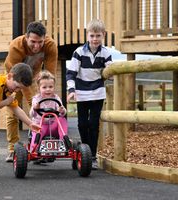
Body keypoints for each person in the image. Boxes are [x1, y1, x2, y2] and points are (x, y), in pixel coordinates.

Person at [4, 21, 58, 162]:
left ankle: (41, 145)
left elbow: (50, 74)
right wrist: (33, 101)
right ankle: (12, 149)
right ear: (26, 37)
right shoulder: (16, 46)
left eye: (40, 42)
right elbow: (20, 80)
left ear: (44, 38)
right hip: (14, 78)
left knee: (42, 110)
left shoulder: (50, 45)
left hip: (34, 76)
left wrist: (47, 95)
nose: (36, 46)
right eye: (33, 41)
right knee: (12, 112)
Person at [66, 19, 112, 170]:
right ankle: (83, 151)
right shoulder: (78, 52)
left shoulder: (106, 53)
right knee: (82, 124)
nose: (95, 39)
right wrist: (71, 90)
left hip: (98, 93)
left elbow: (110, 71)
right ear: (87, 35)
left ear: (103, 35)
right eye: (92, 36)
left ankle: (92, 155)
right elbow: (71, 73)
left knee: (93, 124)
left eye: (98, 36)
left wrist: (110, 71)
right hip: (82, 93)